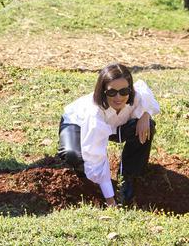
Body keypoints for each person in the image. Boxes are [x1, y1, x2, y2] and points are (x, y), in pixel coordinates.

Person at [57, 63, 159, 207]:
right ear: (103, 91)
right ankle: (90, 181)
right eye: (112, 92)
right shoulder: (94, 113)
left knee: (148, 126)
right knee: (74, 155)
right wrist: (110, 199)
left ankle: (128, 176)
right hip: (77, 124)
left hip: (113, 126)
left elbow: (146, 93)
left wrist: (146, 115)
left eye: (124, 91)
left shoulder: (136, 95)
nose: (119, 97)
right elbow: (97, 153)